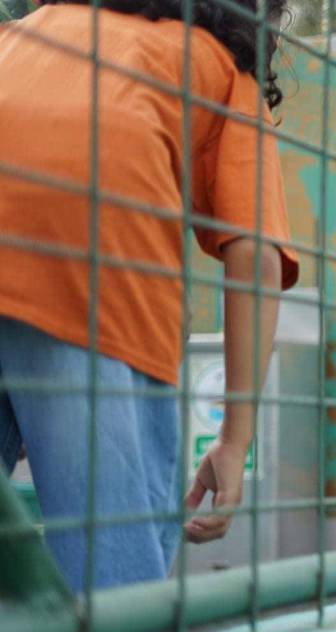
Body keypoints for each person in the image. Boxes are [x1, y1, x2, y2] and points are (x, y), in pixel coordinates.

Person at [0, 0, 298, 590]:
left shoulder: (23, 33)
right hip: (91, 288)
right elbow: (255, 256)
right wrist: (234, 437)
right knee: (118, 569)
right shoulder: (216, 63)